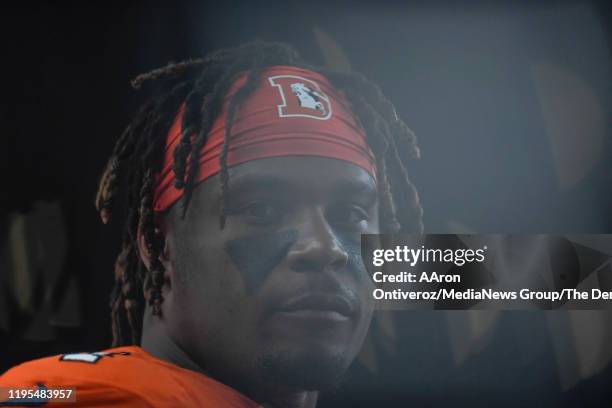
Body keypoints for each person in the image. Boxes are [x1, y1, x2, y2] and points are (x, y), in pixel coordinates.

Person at [0, 41, 423, 407]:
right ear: (158, 246)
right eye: (261, 210)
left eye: (349, 215)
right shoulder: (92, 397)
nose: (324, 246)